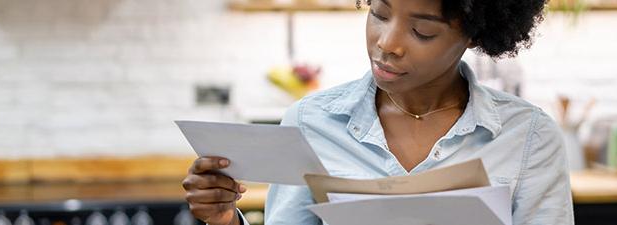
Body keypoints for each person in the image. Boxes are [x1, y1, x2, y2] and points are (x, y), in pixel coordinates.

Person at [181, 0, 573, 224]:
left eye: (422, 32)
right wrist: (225, 221)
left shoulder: (529, 138)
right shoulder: (311, 122)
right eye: (379, 13)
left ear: (475, 34)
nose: (387, 44)